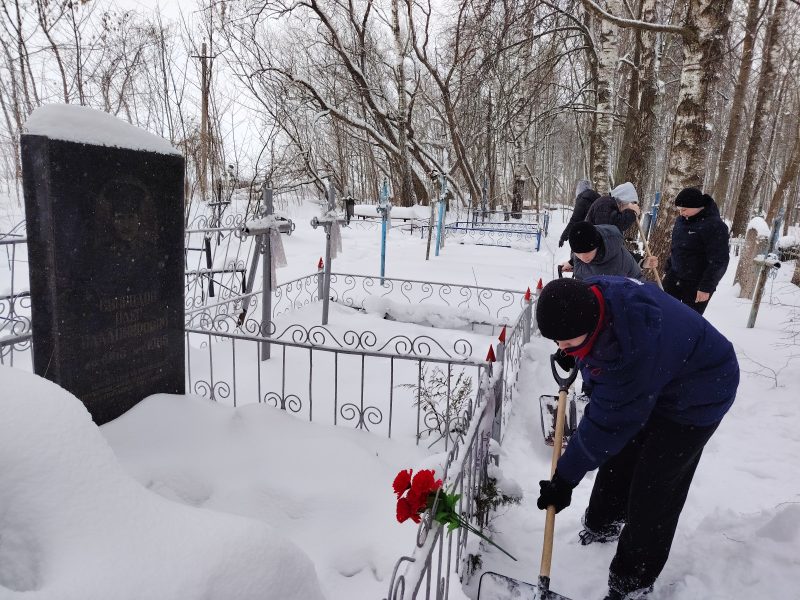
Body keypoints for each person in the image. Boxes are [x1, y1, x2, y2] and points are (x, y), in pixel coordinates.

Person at [534, 276, 739, 600]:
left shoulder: (629, 352)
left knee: (655, 487)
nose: (560, 348)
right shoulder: (595, 296)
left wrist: (565, 478)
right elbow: (603, 364)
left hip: (701, 391)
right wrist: (575, 350)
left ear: (590, 327)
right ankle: (603, 523)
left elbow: (605, 425)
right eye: (557, 342)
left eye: (566, 342)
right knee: (622, 455)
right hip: (663, 371)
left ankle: (631, 584)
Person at [663, 187, 730, 315]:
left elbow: (719, 260)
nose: (681, 213)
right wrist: (668, 269)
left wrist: (706, 287)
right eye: (679, 210)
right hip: (674, 279)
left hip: (697, 285)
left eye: (684, 209)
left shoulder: (714, 226)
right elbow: (676, 247)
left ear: (697, 206)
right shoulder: (680, 221)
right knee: (666, 315)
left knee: (688, 322)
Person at [560, 221, 656, 281]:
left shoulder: (618, 263)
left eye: (587, 253)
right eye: (578, 254)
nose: (583, 258)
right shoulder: (581, 253)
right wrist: (572, 263)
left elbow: (636, 282)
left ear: (597, 245)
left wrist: (642, 263)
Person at [559, 179, 600, 247]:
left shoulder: (582, 200)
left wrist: (563, 237)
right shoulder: (598, 198)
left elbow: (574, 220)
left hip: (586, 236)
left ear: (579, 189)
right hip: (598, 235)